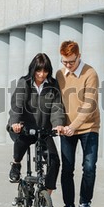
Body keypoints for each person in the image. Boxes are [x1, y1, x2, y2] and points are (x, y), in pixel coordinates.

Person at [56, 40, 100, 207]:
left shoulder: (90, 73)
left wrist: (74, 126)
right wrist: (60, 124)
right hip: (66, 129)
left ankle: (85, 204)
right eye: (64, 61)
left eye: (71, 62)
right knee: (67, 168)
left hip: (88, 127)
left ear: (79, 56)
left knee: (89, 167)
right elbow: (55, 102)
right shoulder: (59, 75)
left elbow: (89, 105)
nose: (68, 65)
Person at [7, 53, 65, 194]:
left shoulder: (52, 85)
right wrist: (15, 123)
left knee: (54, 160)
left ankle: (47, 197)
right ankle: (16, 164)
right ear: (33, 69)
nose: (42, 74)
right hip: (24, 128)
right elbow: (17, 105)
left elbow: (57, 107)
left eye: (45, 71)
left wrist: (58, 124)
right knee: (21, 142)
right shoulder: (24, 83)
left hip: (43, 130)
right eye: (38, 70)